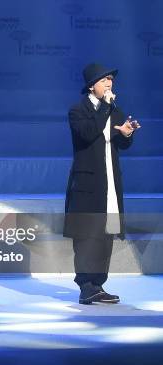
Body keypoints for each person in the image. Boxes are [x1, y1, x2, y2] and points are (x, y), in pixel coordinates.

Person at [63, 63, 140, 304]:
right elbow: (88, 133)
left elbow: (120, 144)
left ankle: (98, 284)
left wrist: (126, 133)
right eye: (105, 80)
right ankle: (85, 285)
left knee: (105, 234)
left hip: (110, 182)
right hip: (87, 184)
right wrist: (105, 107)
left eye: (111, 81)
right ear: (91, 85)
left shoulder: (113, 110)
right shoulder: (78, 110)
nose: (109, 84)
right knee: (87, 235)